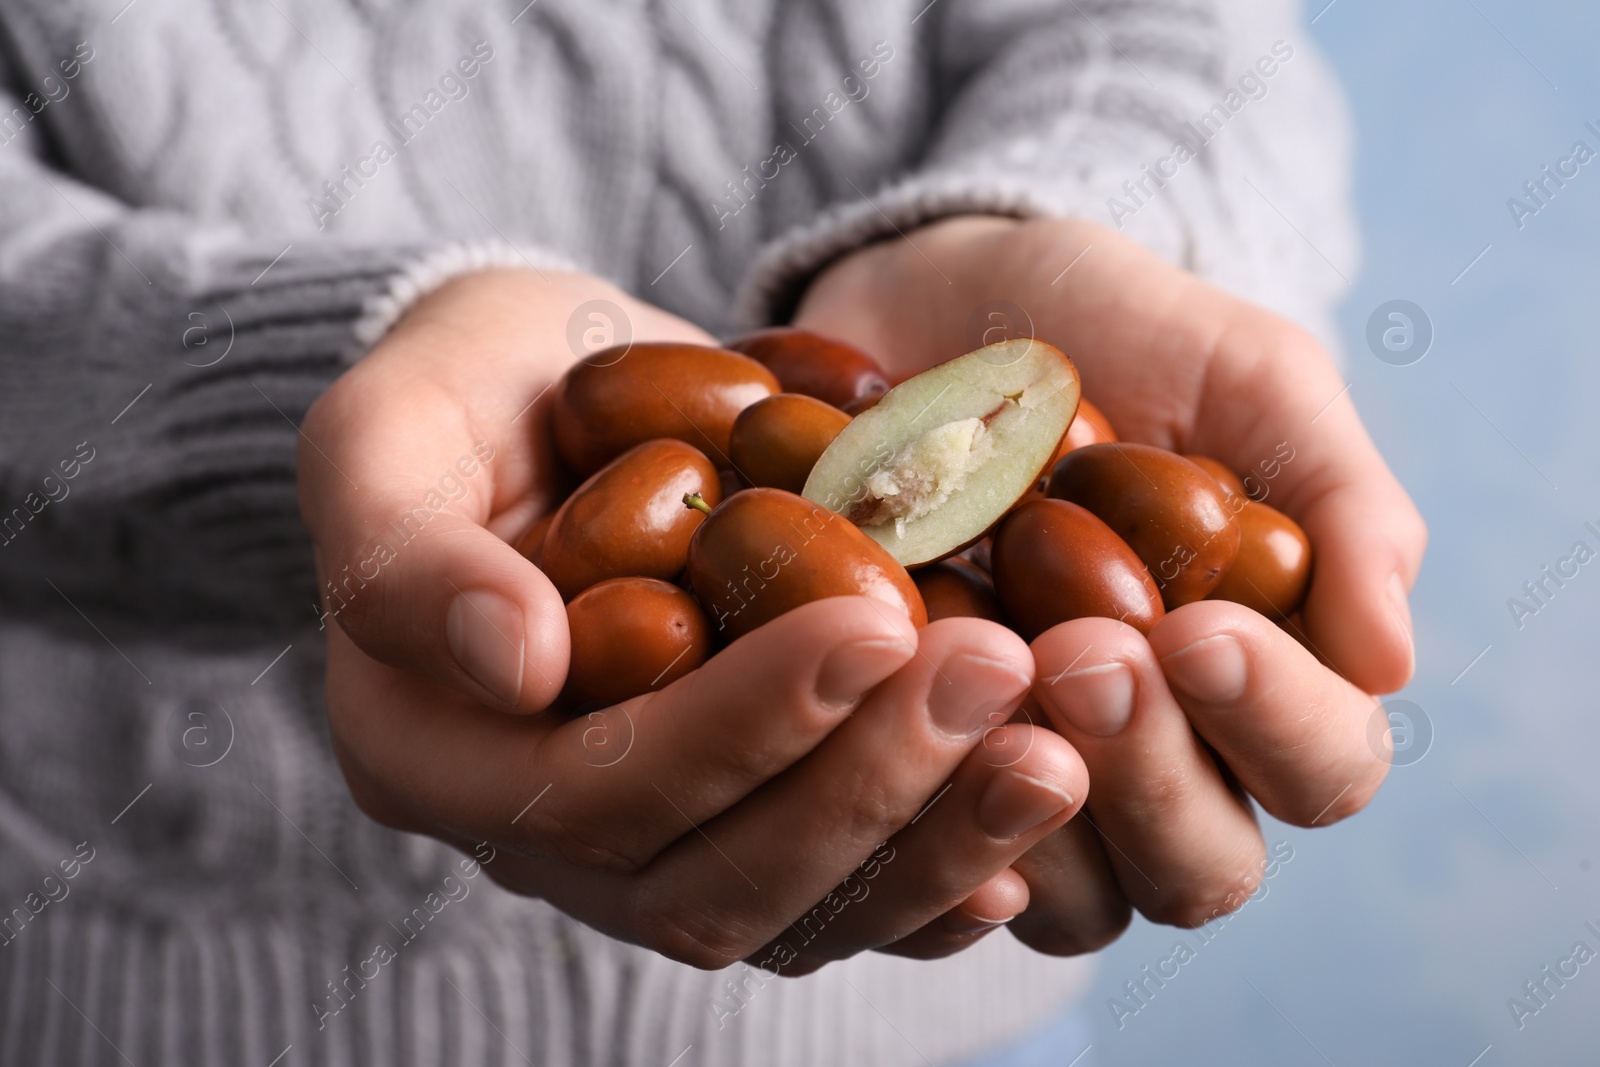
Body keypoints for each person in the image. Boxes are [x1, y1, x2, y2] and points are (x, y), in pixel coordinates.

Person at [0, 1, 1424, 1064]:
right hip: (157, 1004)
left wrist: (1071, 230)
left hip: (930, 1030)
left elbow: (1177, 38)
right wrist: (303, 409)